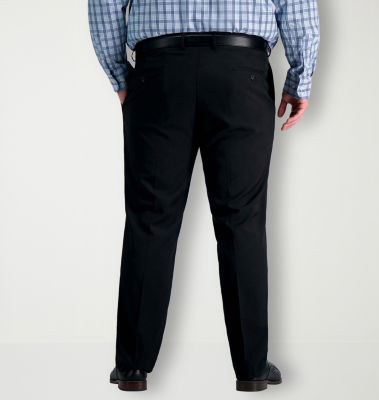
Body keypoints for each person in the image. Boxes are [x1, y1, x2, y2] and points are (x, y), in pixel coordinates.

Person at [88, 0, 320, 392]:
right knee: (242, 222)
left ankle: (132, 367)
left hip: (159, 74)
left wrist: (120, 74)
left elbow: (105, 3)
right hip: (240, 73)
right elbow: (297, 7)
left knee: (151, 219)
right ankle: (251, 368)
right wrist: (300, 78)